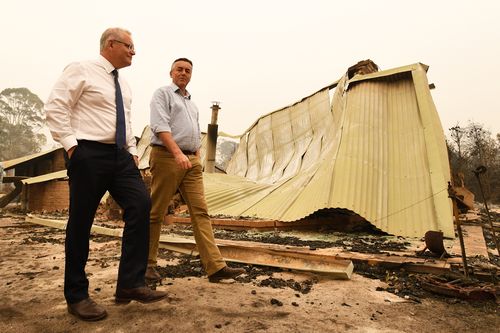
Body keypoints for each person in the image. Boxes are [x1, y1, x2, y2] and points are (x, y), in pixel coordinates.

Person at [45, 27, 167, 322]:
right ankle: (76, 294)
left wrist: (132, 152)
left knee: (140, 205)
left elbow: (124, 121)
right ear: (110, 44)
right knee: (81, 221)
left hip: (121, 157)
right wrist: (73, 147)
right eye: (129, 46)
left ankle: (130, 283)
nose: (133, 51)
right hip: (88, 153)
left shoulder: (123, 84)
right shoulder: (81, 70)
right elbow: (56, 106)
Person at [147, 58, 245, 283]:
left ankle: (216, 267)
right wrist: (178, 154)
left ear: (191, 75)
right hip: (167, 157)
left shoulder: (191, 103)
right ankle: (147, 266)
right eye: (179, 69)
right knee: (156, 213)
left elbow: (194, 133)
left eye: (188, 70)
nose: (183, 73)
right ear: (171, 72)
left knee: (200, 213)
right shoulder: (162, 94)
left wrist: (196, 157)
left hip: (190, 161)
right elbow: (160, 127)